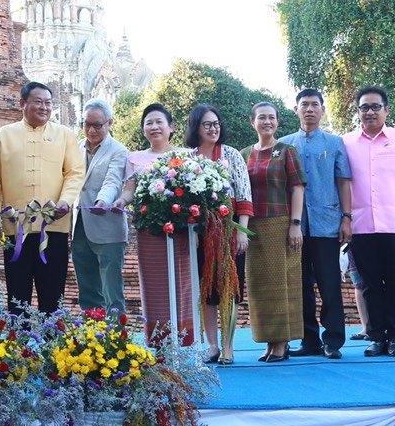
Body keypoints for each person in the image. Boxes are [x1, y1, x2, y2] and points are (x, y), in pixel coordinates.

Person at [0, 81, 83, 313]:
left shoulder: (65, 135)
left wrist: (66, 200)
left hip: (54, 227)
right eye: (38, 102)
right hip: (14, 229)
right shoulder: (4, 135)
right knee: (17, 294)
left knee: (52, 292)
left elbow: (75, 173)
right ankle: (18, 345)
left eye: (48, 103)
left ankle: (53, 345)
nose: (44, 108)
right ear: (22, 104)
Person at [342, 87, 395, 357]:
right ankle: (376, 338)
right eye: (364, 107)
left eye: (376, 107)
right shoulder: (347, 142)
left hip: (393, 223)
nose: (370, 112)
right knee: (369, 284)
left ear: (386, 110)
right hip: (361, 224)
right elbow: (343, 183)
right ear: (358, 111)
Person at [281, 89, 353, 360]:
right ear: (296, 109)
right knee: (300, 285)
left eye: (314, 105)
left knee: (329, 283)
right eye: (304, 105)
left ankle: (333, 340)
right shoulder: (285, 144)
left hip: (327, 222)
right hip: (295, 226)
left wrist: (347, 217)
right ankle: (308, 339)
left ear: (323, 110)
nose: (309, 109)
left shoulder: (335, 143)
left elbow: (343, 181)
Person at [182, 104, 253, 364]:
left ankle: (229, 345)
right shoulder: (188, 159)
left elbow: (244, 194)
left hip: (229, 228)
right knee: (206, 290)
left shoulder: (231, 155)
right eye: (207, 124)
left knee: (230, 288)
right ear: (196, 128)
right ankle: (211, 345)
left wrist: (242, 231)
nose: (213, 129)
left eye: (216, 124)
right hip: (199, 233)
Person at [122, 104, 198, 345]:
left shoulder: (187, 156)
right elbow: (129, 191)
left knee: (182, 284)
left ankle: (185, 340)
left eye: (159, 122)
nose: (154, 127)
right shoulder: (134, 159)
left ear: (171, 127)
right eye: (149, 123)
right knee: (154, 286)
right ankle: (159, 341)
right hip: (149, 231)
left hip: (181, 232)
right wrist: (119, 202)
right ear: (144, 129)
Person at [244, 101, 306, 363]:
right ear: (252, 122)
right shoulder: (244, 153)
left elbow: (297, 188)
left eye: (271, 118)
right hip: (252, 227)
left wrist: (295, 224)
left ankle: (281, 343)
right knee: (259, 286)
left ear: (278, 122)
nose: (266, 122)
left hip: (280, 224)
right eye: (261, 118)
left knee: (281, 284)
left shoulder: (287, 151)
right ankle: (268, 341)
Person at [71, 99, 129, 313]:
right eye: (87, 124)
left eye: (98, 125)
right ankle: (92, 337)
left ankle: (116, 338)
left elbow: (113, 180)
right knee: (87, 291)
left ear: (109, 123)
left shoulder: (119, 150)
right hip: (79, 226)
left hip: (108, 227)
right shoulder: (75, 147)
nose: (92, 130)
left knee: (112, 292)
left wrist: (102, 201)